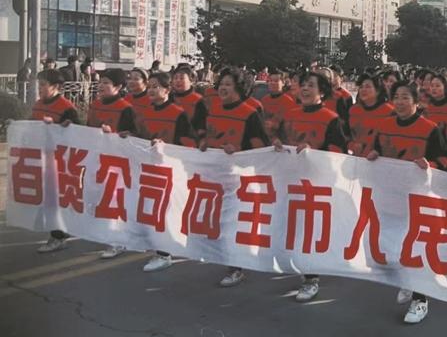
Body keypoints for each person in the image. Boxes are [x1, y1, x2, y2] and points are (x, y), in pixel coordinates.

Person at [366, 82, 447, 325]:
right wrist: (372, 156)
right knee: (393, 246)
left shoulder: (430, 129)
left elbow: (445, 160)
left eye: (405, 97)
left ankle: (420, 299)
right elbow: (375, 152)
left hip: (419, 199)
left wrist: (430, 166)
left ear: (416, 102)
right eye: (397, 97)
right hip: (390, 197)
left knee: (416, 249)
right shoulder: (384, 126)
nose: (400, 102)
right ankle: (407, 281)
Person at [274, 71, 347, 301]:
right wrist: (276, 144)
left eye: (311, 86)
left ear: (322, 91)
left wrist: (315, 154)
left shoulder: (331, 118)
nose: (305, 89)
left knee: (310, 231)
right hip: (291, 180)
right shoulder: (290, 115)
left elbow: (339, 152)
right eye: (302, 85)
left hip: (317, 184)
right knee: (294, 227)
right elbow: (281, 139)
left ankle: (311, 278)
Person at [201, 67, 270, 287]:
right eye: (222, 83)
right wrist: (202, 143)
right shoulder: (212, 109)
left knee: (232, 223)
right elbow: (204, 133)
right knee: (217, 222)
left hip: (237, 179)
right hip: (213, 177)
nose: (223, 87)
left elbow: (260, 148)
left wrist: (239, 151)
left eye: (229, 84)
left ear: (240, 88)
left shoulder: (250, 114)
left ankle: (236, 267)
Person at [138, 72, 197, 272]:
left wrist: (167, 147)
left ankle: (164, 254)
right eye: (150, 86)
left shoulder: (177, 113)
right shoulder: (144, 111)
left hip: (169, 171)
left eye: (156, 86)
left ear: (167, 90)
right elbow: (138, 136)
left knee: (165, 212)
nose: (152, 90)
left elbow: (189, 143)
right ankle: (158, 247)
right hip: (148, 170)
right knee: (152, 211)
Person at [87, 68, 137, 260]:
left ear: (118, 86)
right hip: (98, 158)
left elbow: (132, 136)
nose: (101, 85)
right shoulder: (95, 105)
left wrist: (115, 135)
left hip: (117, 162)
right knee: (99, 197)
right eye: (100, 81)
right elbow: (87, 129)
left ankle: (118, 241)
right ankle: (107, 234)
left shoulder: (125, 108)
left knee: (114, 200)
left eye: (106, 82)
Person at [32, 69, 80, 254]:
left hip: (59, 161)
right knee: (47, 199)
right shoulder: (38, 104)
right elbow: (31, 126)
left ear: (56, 87)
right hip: (41, 158)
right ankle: (61, 232)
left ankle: (58, 237)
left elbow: (77, 134)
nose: (40, 88)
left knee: (55, 200)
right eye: (39, 84)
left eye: (43, 85)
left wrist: (63, 128)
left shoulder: (66, 107)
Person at [347, 74, 393, 157]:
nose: (363, 90)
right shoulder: (354, 110)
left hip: (379, 159)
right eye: (361, 87)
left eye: (368, 87)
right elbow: (346, 135)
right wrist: (352, 145)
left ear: (378, 91)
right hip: (355, 158)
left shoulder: (389, 112)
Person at [172, 65, 209, 137]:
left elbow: (202, 125)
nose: (178, 80)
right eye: (175, 78)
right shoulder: (168, 97)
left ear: (191, 81)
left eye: (182, 78)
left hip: (190, 143)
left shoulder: (198, 100)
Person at [261, 68, 296, 143]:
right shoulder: (264, 100)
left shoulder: (289, 102)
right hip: (265, 141)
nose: (272, 83)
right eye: (270, 81)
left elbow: (290, 127)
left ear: (283, 83)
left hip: (281, 142)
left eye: (276, 81)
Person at [125, 68, 152, 135]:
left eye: (136, 79)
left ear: (146, 82)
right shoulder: (126, 99)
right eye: (130, 78)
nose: (131, 81)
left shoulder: (152, 100)